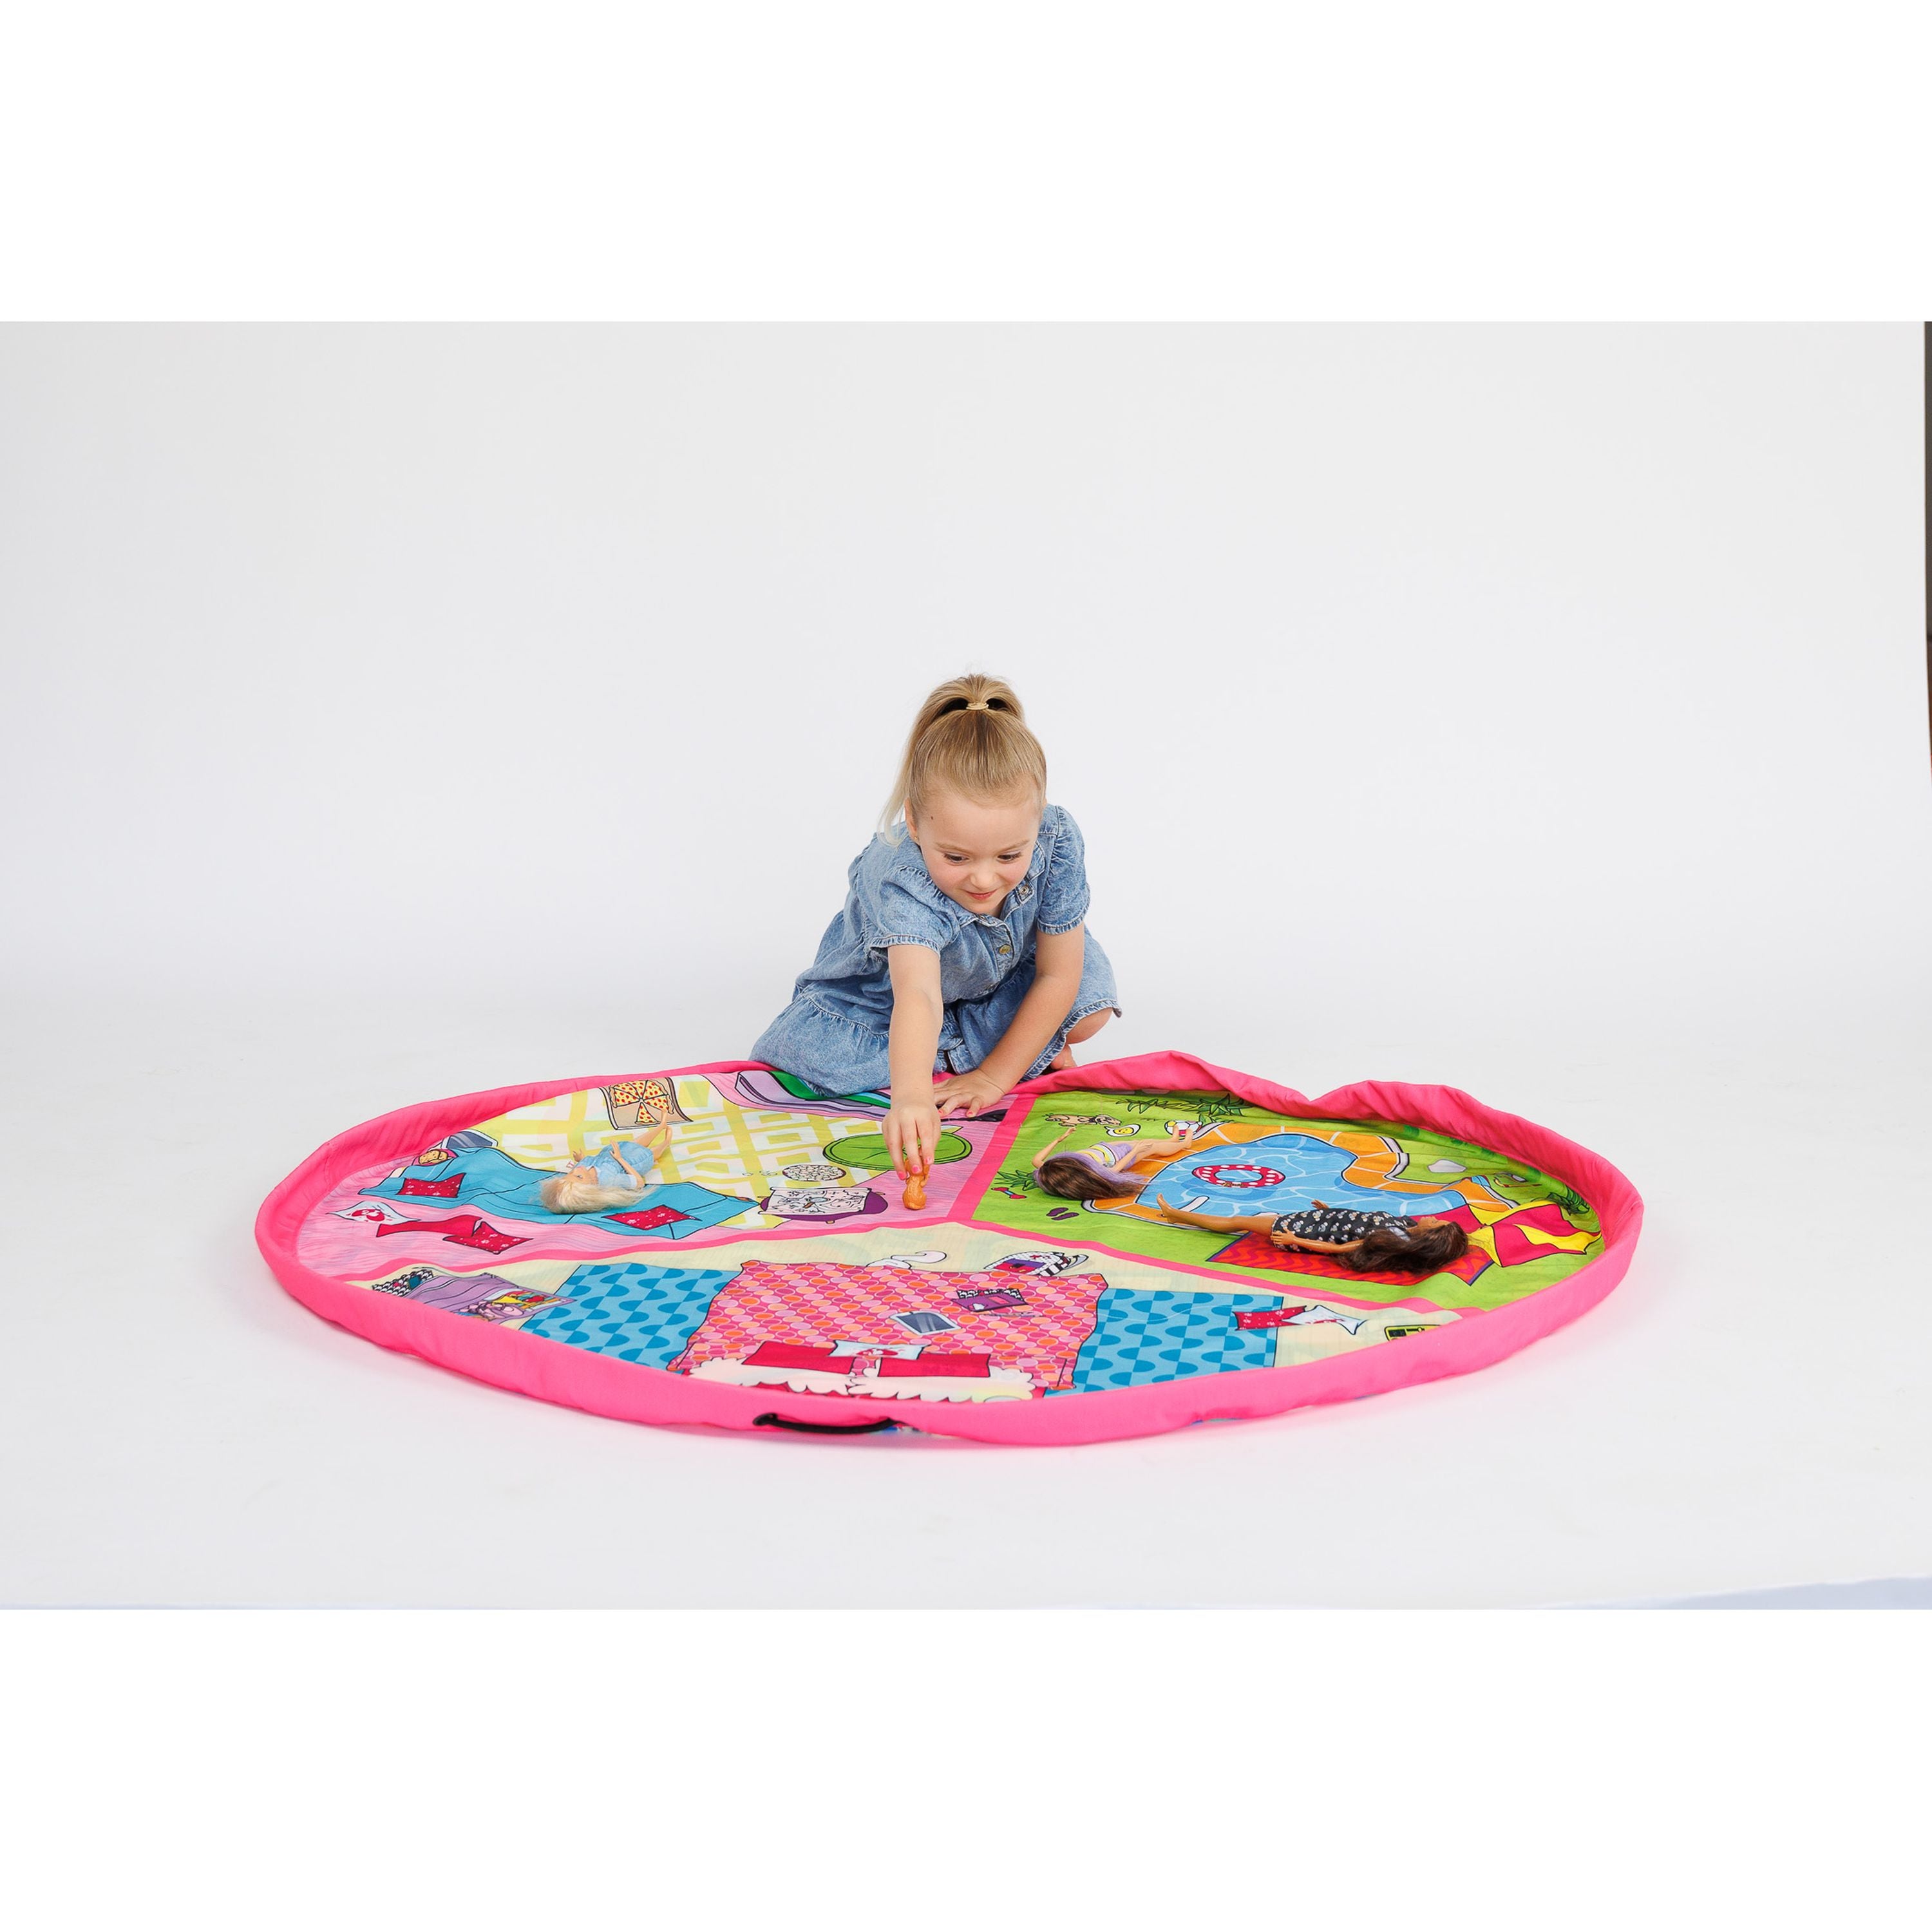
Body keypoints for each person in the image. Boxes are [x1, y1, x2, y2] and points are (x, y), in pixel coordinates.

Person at [750, 674, 1120, 1178]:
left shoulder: (1059, 838)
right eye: (957, 857)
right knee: (827, 1061)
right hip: (891, 994)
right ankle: (974, 1046)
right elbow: (919, 995)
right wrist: (911, 1098)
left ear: (1038, 822)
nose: (984, 879)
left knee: (1087, 1015)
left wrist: (993, 1078)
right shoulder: (901, 877)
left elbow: (1059, 974)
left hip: (1002, 971)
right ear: (915, 823)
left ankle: (976, 1045)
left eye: (1009, 856)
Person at [1153, 1195, 1472, 1274]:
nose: (1433, 1218)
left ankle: (1176, 1214)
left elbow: (1344, 1247)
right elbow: (1359, 1220)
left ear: (1430, 1235)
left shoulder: (1394, 1238)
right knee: (1247, 1219)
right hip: (1321, 1219)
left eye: (1437, 1223)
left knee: (1240, 1221)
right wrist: (1330, 1210)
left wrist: (1295, 1241)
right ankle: (1178, 1214)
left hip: (1307, 1231)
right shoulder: (1403, 1225)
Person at [1031, 1123, 1210, 1202]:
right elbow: (1116, 1169)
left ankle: (1172, 1140)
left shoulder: (1057, 1167)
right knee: (1152, 1147)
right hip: (1119, 1156)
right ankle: (1184, 1144)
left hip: (1103, 1148)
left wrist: (1059, 1140)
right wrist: (1135, 1151)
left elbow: (1037, 1160)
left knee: (1141, 1141)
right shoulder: (1090, 1171)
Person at [535, 1122, 672, 1215]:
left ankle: (661, 1126)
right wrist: (620, 1159)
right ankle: (666, 1142)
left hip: (615, 1150)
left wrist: (581, 1159)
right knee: (651, 1152)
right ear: (592, 1186)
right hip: (635, 1161)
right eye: (579, 1177)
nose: (577, 1170)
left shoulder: (583, 1168)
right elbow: (639, 1183)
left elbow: (586, 1164)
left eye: (570, 1173)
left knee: (636, 1142)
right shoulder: (610, 1181)